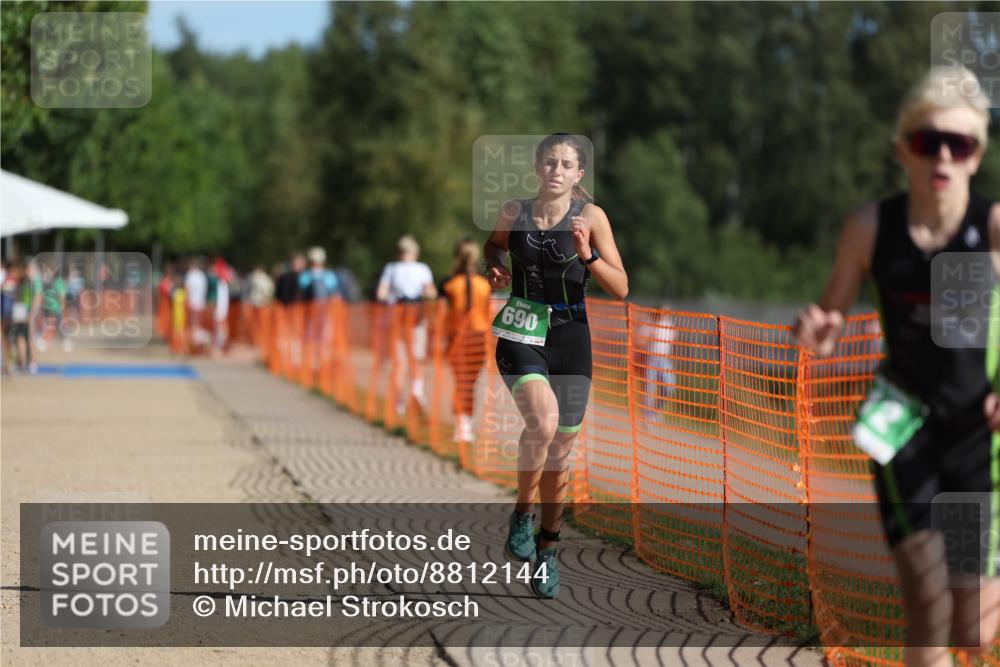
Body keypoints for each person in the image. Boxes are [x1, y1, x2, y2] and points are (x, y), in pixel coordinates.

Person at [792, 67, 999, 665]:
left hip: (977, 439)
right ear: (904, 149)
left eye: (957, 144)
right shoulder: (869, 228)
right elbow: (825, 320)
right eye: (926, 140)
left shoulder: (990, 229)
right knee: (927, 604)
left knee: (973, 632)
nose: (941, 155)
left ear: (975, 156)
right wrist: (817, 334)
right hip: (901, 427)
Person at [484, 133, 628, 598]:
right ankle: (523, 516)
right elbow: (494, 246)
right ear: (537, 166)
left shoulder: (592, 217)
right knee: (542, 424)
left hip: (571, 334)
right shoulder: (514, 211)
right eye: (549, 162)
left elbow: (622, 287)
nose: (556, 171)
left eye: (566, 164)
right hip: (523, 330)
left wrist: (588, 254)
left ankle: (547, 549)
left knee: (562, 451)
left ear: (578, 174)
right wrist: (496, 265)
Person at [376, 235, 437, 416]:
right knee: (415, 357)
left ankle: (400, 401)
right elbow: (431, 291)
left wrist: (390, 299)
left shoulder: (391, 268)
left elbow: (381, 293)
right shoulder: (422, 269)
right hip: (414, 318)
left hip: (399, 317)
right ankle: (415, 391)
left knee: (400, 360)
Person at [441, 237, 492, 443]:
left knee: (461, 381)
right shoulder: (485, 284)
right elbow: (490, 314)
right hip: (479, 336)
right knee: (470, 382)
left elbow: (443, 314)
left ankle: (461, 424)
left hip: (457, 337)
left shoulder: (449, 284)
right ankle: (466, 424)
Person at [637, 304, 676, 423]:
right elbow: (640, 340)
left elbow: (672, 340)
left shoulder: (669, 325)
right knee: (649, 388)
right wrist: (649, 337)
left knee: (669, 387)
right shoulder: (649, 324)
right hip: (651, 358)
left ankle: (656, 412)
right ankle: (647, 415)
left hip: (664, 359)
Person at [184, 258, 209, 351]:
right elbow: (205, 290)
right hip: (201, 303)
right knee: (199, 324)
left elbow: (188, 288)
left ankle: (194, 345)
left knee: (193, 324)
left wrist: (187, 301)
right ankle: (198, 345)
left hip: (193, 303)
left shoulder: (190, 275)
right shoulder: (202, 275)